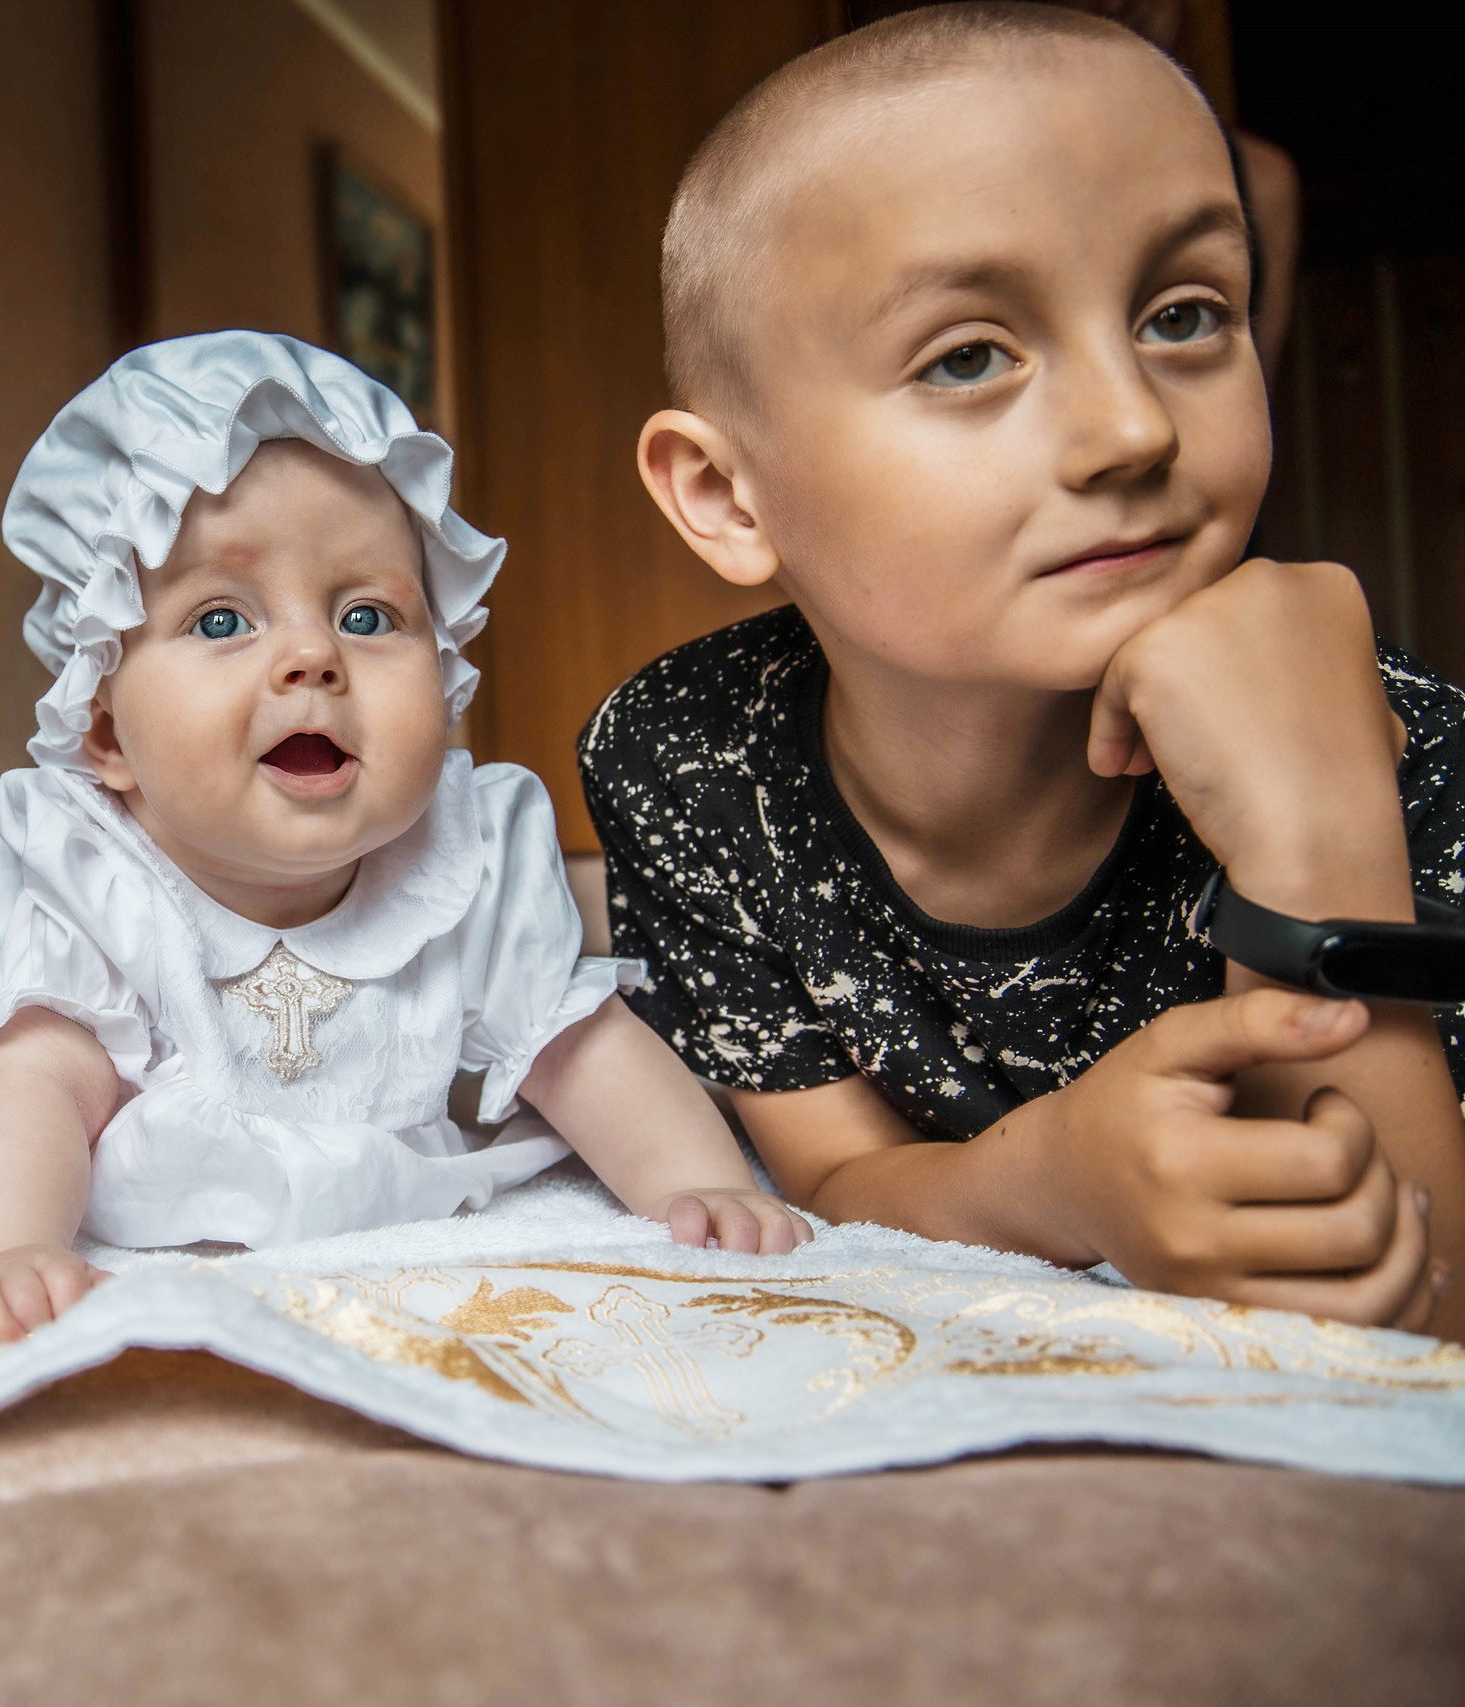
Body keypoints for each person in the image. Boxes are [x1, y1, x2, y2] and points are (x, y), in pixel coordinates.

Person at [578, 3, 1462, 1339]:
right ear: (725, 493)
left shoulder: (1410, 748)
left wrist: (1317, 824)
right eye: (970, 355)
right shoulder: (685, 756)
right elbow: (831, 1171)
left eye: (1183, 315)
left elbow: (1418, 1339)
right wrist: (1054, 1182)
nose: (1132, 426)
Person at [0, 332, 809, 1345]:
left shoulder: (468, 850)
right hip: (113, 1183)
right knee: (34, 1072)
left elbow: (577, 1046)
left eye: (368, 614)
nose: (312, 656)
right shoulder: (85, 869)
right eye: (220, 621)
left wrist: (700, 1187)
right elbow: (34, 1086)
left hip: (372, 1184)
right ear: (105, 729)